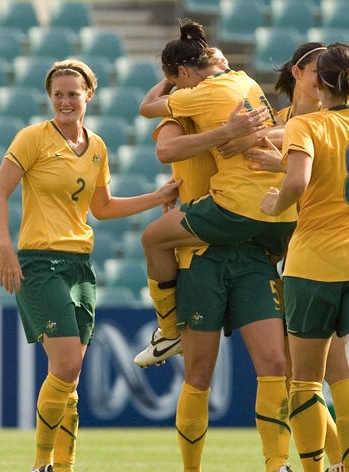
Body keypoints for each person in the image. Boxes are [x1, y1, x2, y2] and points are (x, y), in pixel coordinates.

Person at [0, 59, 180, 472]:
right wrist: (5, 247)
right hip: (39, 264)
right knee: (67, 364)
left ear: (89, 95)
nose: (65, 101)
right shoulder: (32, 138)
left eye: (73, 93)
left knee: (69, 378)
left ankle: (64, 465)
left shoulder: (96, 147)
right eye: (58, 94)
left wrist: (156, 196)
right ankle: (41, 463)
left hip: (80, 266)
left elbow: (103, 207)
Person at [142, 47, 293, 471]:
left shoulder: (237, 96)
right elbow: (166, 150)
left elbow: (289, 133)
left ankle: (278, 463)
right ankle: (192, 468)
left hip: (249, 248)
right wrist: (225, 134)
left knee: (277, 363)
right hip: (201, 252)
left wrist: (241, 136)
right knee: (199, 373)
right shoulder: (182, 111)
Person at [260, 43, 349, 472]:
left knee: (305, 379)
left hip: (313, 264)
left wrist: (277, 202)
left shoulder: (305, 127)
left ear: (318, 83)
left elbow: (299, 180)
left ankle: (313, 468)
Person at [133, 18, 297, 372]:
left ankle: (167, 331)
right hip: (281, 208)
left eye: (177, 83)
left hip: (236, 207)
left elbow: (148, 108)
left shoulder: (197, 96)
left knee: (152, 239)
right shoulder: (244, 79)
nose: (175, 91)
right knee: (280, 362)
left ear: (183, 74)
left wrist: (172, 81)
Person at [245, 42, 349, 472]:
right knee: (297, 376)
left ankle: (347, 462)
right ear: (299, 72)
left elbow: (305, 171)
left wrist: (276, 160)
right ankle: (336, 461)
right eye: (318, 69)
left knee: (331, 369)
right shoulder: (283, 121)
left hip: (318, 252)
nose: (326, 77)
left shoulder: (324, 125)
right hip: (282, 255)